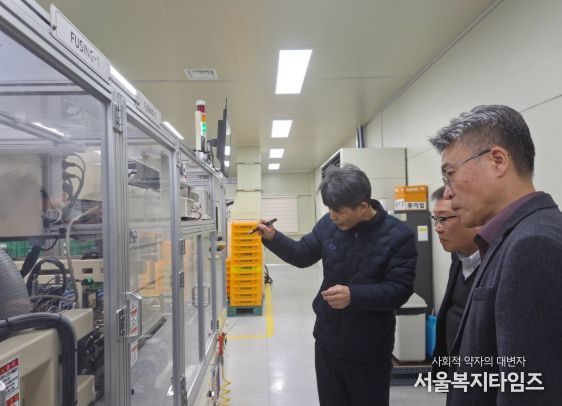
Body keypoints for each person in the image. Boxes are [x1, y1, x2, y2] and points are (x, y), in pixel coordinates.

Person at [429, 105, 562, 405]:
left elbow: (529, 390)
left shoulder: (533, 245)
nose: (447, 192)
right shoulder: (509, 238)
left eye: (450, 174)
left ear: (498, 161)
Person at [257, 164, 417, 406]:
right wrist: (273, 237)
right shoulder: (329, 224)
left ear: (363, 207)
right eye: (329, 209)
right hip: (328, 340)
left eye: (338, 211)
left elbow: (399, 290)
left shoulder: (398, 236)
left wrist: (354, 296)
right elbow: (302, 255)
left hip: (370, 349)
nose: (332, 216)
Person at [430, 186, 479, 378]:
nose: (437, 228)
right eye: (435, 219)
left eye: (443, 219)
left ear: (474, 217)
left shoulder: (498, 262)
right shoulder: (458, 257)